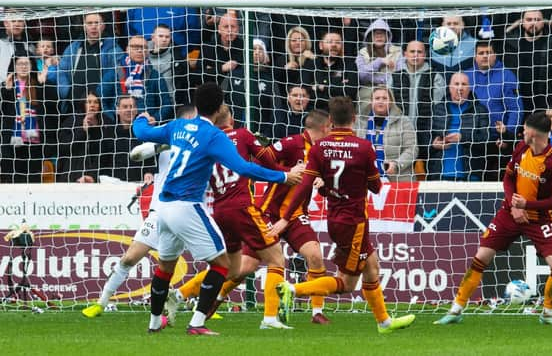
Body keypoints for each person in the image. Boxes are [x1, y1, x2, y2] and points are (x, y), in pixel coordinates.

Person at [132, 82, 300, 335]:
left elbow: (143, 132)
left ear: (197, 105)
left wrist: (140, 119)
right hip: (186, 206)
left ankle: (154, 323)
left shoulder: (178, 126)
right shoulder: (214, 136)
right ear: (220, 107)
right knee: (223, 265)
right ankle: (197, 323)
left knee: (165, 267)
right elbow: (244, 168)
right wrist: (284, 177)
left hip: (162, 208)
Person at [270, 96, 416, 334]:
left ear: (331, 120)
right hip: (354, 221)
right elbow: (376, 187)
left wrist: (286, 216)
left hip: (335, 218)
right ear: (354, 119)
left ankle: (384, 322)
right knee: (346, 284)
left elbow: (305, 185)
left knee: (371, 266)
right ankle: (294, 290)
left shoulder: (319, 148)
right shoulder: (364, 147)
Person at [171, 110, 332, 325]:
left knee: (315, 255)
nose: (332, 131)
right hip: (269, 213)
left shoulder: (323, 151)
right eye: (330, 127)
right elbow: (266, 160)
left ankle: (316, 312)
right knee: (242, 269)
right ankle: (198, 297)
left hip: (295, 215)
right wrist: (287, 172)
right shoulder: (292, 143)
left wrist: (321, 181)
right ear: (324, 127)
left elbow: (324, 181)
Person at [434, 111, 552, 326]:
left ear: (533, 133)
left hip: (539, 218)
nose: (522, 131)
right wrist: (513, 205)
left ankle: (548, 313)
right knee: (481, 256)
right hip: (509, 213)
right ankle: (456, 309)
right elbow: (507, 179)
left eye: (525, 128)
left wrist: (528, 205)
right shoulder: (521, 148)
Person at [81, 105, 194, 319]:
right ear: (182, 120)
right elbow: (135, 155)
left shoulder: (201, 143)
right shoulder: (166, 136)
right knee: (129, 258)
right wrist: (159, 143)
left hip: (189, 210)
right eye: (192, 118)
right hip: (160, 211)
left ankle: (205, 308)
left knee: (212, 259)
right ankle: (101, 303)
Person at [465, 41, 523, 180]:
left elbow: (516, 108)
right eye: (481, 53)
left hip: (498, 140)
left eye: (488, 52)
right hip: (473, 139)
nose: (485, 56)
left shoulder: (507, 75)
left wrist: (508, 135)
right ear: (474, 56)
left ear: (495, 54)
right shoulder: (466, 76)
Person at [55, 13, 125, 119]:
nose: (93, 26)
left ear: (103, 25)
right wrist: (67, 92)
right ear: (84, 26)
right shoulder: (73, 48)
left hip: (101, 110)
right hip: (73, 109)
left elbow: (119, 78)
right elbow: (61, 72)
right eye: (90, 23)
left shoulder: (114, 50)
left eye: (97, 23)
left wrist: (101, 98)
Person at [427, 72, 490, 180]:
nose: (460, 88)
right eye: (456, 84)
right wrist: (434, 144)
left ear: (469, 88)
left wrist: (462, 138)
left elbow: (486, 141)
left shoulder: (480, 110)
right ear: (450, 87)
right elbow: (424, 139)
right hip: (439, 174)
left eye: (464, 84)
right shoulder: (438, 109)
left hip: (470, 175)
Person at [104, 35, 173, 122]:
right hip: (118, 128)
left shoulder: (155, 76)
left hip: (146, 126)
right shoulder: (114, 74)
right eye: (135, 47)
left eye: (143, 47)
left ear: (147, 51)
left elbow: (166, 104)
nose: (140, 50)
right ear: (127, 49)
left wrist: (155, 118)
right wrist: (114, 119)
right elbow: (101, 100)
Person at [356, 86, 418, 181]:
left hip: (399, 179)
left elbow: (412, 149)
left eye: (384, 98)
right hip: (365, 180)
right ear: (371, 101)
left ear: (391, 102)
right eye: (377, 98)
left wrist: (397, 164)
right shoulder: (359, 123)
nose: (381, 101)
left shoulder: (404, 121)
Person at [0, 56, 45, 183]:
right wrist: (6, 90)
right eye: (20, 64)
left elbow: (51, 108)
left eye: (27, 64)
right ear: (14, 67)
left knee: (33, 182)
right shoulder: (6, 87)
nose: (24, 66)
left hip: (34, 141)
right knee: (11, 180)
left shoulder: (39, 85)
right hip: (11, 142)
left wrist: (44, 85)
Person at [56, 90, 114, 183]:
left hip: (97, 175)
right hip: (71, 173)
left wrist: (96, 130)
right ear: (83, 104)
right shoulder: (71, 121)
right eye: (89, 102)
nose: (92, 105)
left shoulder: (107, 122)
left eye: (96, 102)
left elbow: (108, 151)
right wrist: (82, 131)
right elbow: (63, 147)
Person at [356, 18, 403, 114]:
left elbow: (399, 75)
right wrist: (380, 61)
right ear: (370, 36)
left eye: (382, 33)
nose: (379, 36)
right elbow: (361, 76)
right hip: (367, 91)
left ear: (388, 36)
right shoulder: (362, 53)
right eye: (375, 33)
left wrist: (376, 79)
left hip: (390, 90)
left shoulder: (398, 52)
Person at [311, 31, 358, 112]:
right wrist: (338, 85)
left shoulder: (350, 65)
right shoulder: (311, 64)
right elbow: (306, 88)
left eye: (338, 42)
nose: (334, 45)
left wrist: (321, 87)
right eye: (329, 42)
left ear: (342, 46)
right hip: (316, 112)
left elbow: (350, 91)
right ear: (320, 45)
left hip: (342, 112)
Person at [147, 24, 190, 108]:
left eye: (167, 37)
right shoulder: (142, 54)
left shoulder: (177, 56)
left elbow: (184, 81)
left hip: (170, 102)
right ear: (153, 38)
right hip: (148, 100)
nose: (164, 39)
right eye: (160, 36)